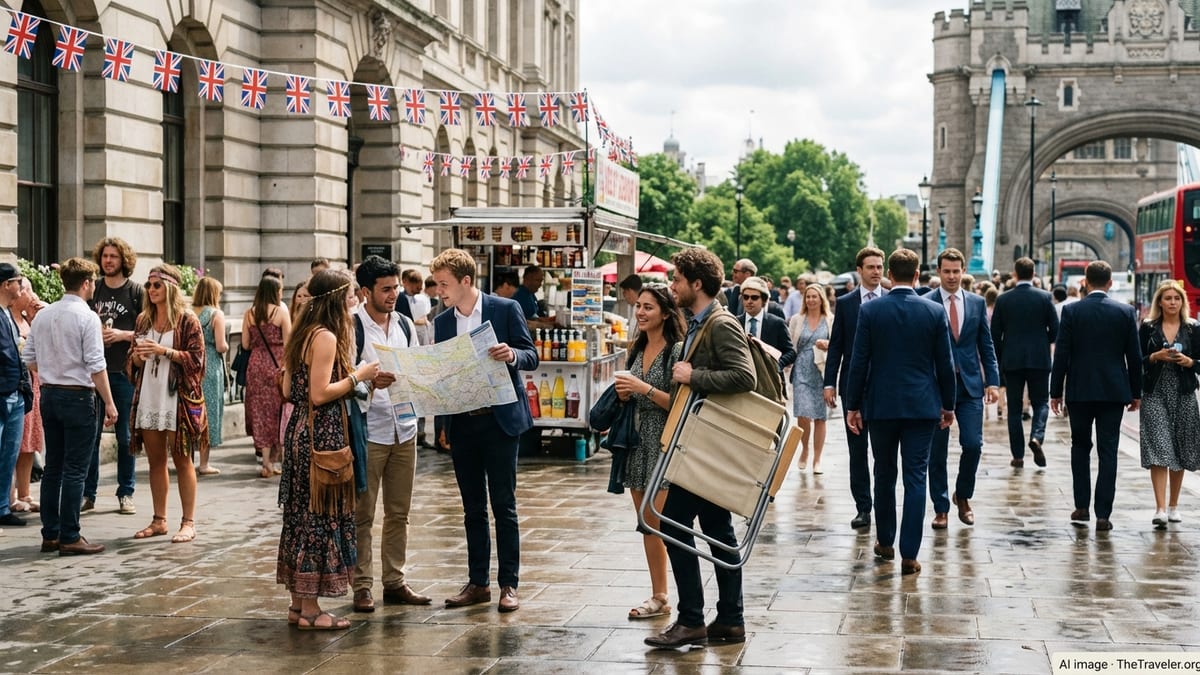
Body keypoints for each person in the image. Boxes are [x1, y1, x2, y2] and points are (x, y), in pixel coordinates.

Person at [645, 247, 756, 650]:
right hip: (703, 442)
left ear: (697, 283)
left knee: (673, 524)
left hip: (709, 443)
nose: (672, 285)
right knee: (716, 530)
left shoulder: (719, 323)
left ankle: (692, 619)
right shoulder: (699, 321)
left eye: (676, 279)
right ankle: (730, 619)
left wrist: (695, 374)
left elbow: (743, 376)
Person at [431, 248, 538, 613]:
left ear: (465, 281)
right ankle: (478, 583)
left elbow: (531, 355)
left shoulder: (505, 309)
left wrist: (513, 355)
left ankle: (509, 584)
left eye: (444, 284)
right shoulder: (443, 321)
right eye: (436, 284)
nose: (438, 290)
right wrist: (441, 422)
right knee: (471, 508)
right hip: (463, 422)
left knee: (504, 505)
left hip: (500, 419)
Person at [277, 269, 380, 631]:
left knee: (300, 516)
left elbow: (291, 390)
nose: (356, 300)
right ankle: (310, 610)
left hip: (299, 432)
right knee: (317, 520)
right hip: (321, 436)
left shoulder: (303, 332)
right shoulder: (324, 337)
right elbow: (320, 394)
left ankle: (297, 605)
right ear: (337, 298)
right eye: (351, 294)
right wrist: (358, 377)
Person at [844, 249, 956, 576]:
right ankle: (910, 552)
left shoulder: (872, 310)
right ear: (917, 274)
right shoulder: (935, 312)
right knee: (916, 477)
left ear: (890, 275)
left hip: (881, 406)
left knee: (884, 472)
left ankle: (885, 540)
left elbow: (858, 362)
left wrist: (853, 405)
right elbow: (945, 365)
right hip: (922, 406)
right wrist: (948, 405)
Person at [350, 257, 430, 613]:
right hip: (370, 430)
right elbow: (340, 378)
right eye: (386, 288)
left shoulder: (404, 324)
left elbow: (414, 367)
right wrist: (368, 379)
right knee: (362, 513)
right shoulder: (353, 327)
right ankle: (362, 585)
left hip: (405, 427)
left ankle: (395, 581)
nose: (394, 294)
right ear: (365, 292)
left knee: (399, 512)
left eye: (396, 287)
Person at [24, 257, 118, 555]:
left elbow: (29, 358)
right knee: (75, 469)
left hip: (51, 394)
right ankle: (69, 535)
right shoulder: (87, 317)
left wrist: (53, 371)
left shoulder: (43, 315)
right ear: (87, 283)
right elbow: (95, 364)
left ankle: (50, 534)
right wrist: (110, 403)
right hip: (78, 396)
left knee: (53, 468)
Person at [1051, 260, 1142, 532]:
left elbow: (1062, 356)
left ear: (1086, 283)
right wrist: (1135, 392)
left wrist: (1056, 392)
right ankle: (1103, 514)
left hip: (1079, 391)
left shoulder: (1071, 311)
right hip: (1114, 392)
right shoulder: (1125, 312)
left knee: (1080, 447)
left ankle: (1081, 507)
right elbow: (1134, 358)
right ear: (1110, 283)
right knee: (1108, 451)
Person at [613, 283, 684, 620]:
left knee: (663, 523)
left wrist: (643, 388)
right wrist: (625, 393)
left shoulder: (677, 350)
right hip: (636, 442)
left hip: (665, 443)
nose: (640, 312)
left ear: (666, 313)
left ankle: (679, 595)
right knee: (646, 523)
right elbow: (632, 393)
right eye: (638, 306)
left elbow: (680, 404)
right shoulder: (637, 348)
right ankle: (659, 594)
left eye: (648, 307)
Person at [127, 265, 207, 544]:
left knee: (182, 459)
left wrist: (164, 351)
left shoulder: (187, 320)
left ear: (170, 288)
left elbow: (198, 361)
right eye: (149, 285)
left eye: (157, 285)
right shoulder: (143, 320)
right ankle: (159, 520)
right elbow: (131, 363)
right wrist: (137, 357)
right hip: (149, 394)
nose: (151, 290)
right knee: (155, 461)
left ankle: (188, 522)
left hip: (177, 399)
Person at [927, 249, 1000, 529]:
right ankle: (941, 507)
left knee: (972, 444)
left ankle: (964, 495)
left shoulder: (977, 303)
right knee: (937, 452)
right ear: (939, 272)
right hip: (936, 387)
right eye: (947, 271)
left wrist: (992, 380)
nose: (952, 276)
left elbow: (986, 345)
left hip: (970, 384)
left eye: (956, 271)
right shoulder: (927, 302)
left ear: (963, 270)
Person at [824, 246, 887, 530]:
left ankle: (884, 504)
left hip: (886, 387)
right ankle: (864, 507)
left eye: (879, 267)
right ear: (859, 270)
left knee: (883, 453)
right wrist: (829, 382)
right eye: (871, 267)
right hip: (853, 386)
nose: (876, 272)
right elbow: (836, 345)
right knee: (858, 452)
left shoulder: (891, 299)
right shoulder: (847, 303)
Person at [86, 237, 143, 515]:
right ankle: (89, 493)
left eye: (114, 257)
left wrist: (122, 335)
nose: (108, 261)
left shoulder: (136, 292)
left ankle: (126, 492)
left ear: (124, 261)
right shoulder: (93, 290)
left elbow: (148, 332)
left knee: (125, 436)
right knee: (90, 436)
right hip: (94, 374)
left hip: (124, 372)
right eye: (105, 256)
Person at [1139, 281, 1200, 527]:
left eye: (1177, 298)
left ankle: (1174, 505)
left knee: (1181, 448)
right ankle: (1160, 508)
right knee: (1159, 448)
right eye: (1168, 298)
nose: (1173, 302)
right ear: (1160, 302)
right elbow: (1136, 359)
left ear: (1182, 302)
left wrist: (1189, 362)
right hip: (1155, 392)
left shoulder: (1193, 328)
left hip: (1184, 393)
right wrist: (1154, 356)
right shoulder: (1147, 328)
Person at [990, 257, 1059, 468]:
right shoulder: (1045, 297)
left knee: (1014, 408)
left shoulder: (1003, 300)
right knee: (1040, 403)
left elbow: (995, 334)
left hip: (1012, 360)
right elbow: (1055, 330)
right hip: (1039, 359)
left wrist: (1003, 354)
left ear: (1015, 274)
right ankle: (1037, 436)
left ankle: (1018, 456)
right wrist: (1041, 342)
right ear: (1034, 273)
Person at [243, 274, 290, 477]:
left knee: (259, 412)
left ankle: (265, 462)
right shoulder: (280, 313)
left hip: (256, 364)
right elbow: (289, 343)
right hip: (276, 364)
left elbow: (245, 344)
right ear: (275, 292)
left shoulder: (250, 314)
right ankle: (272, 460)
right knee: (277, 411)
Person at [788, 283, 832, 474]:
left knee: (820, 416)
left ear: (821, 299)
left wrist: (828, 344)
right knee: (803, 414)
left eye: (815, 296)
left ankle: (817, 458)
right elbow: (790, 345)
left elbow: (838, 344)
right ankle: (804, 449)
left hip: (821, 372)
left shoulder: (830, 319)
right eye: (808, 296)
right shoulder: (797, 320)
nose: (811, 300)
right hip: (801, 371)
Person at [11, 278, 45, 514]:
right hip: (16, 388)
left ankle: (25, 493)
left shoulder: (27, 320)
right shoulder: (6, 319)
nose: (32, 295)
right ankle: (10, 496)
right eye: (28, 290)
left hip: (34, 387)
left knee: (29, 444)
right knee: (13, 444)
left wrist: (36, 318)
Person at [0, 263, 26, 528]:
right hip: (4, 392)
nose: (21, 286)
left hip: (15, 393)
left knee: (9, 454)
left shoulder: (8, 313)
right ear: (7, 284)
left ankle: (2, 507)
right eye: (19, 281)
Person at [193, 277, 227, 476]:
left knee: (192, 411)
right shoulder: (216, 314)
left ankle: (188, 460)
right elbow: (221, 345)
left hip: (192, 365)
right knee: (209, 412)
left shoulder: (189, 313)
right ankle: (204, 463)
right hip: (211, 366)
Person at [735, 275, 795, 388]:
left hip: (770, 383)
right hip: (742, 382)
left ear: (764, 300)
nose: (749, 301)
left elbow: (790, 353)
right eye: (746, 297)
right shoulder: (735, 322)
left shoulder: (776, 323)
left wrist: (776, 366)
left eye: (754, 298)